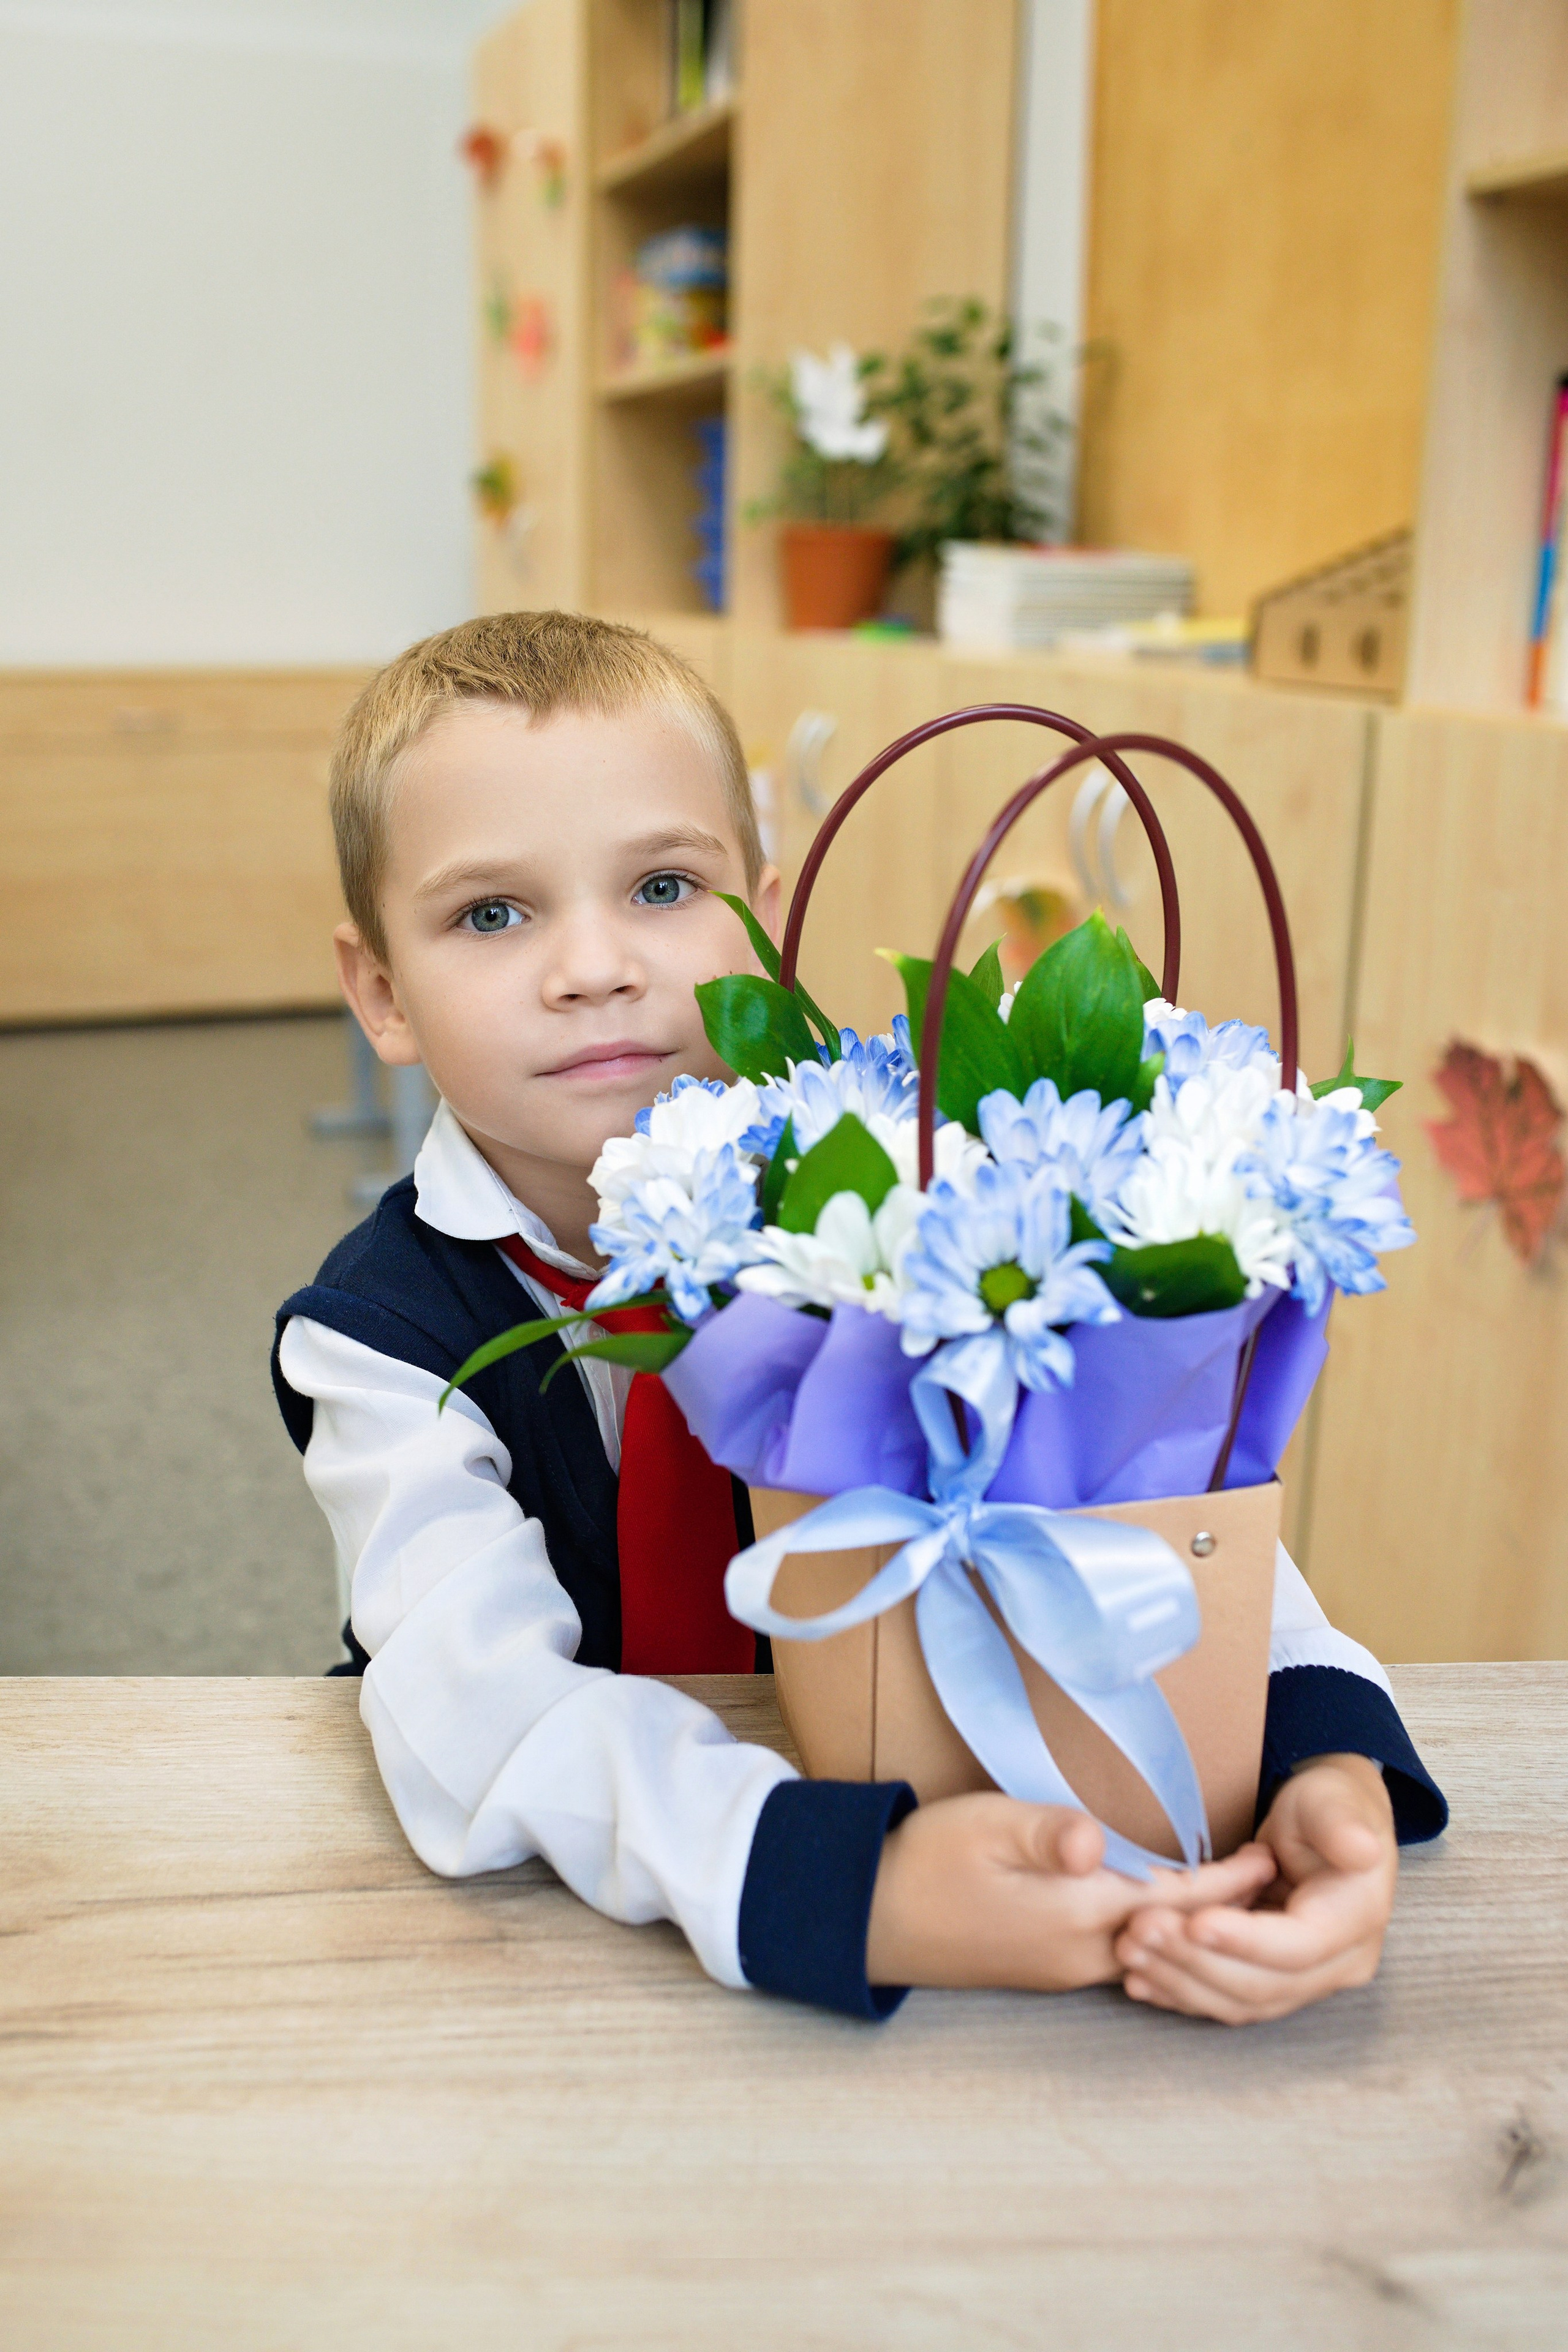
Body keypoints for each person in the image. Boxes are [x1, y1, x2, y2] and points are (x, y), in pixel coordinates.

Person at [272, 610, 1446, 2026]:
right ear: (381, 994)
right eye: (493, 914)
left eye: (659, 886)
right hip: (599, 1950)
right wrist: (847, 1888)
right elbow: (471, 1703)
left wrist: (1319, 1753)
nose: (593, 966)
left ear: (767, 913)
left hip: (988, 1802)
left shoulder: (923, 1197)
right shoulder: (377, 1333)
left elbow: (1145, 1506)